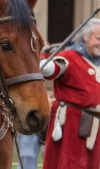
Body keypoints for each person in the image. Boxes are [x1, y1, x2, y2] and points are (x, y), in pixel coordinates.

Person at [41, 18, 100, 169]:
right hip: (73, 125)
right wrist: (44, 63)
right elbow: (54, 69)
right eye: (98, 38)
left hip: (96, 127)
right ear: (86, 36)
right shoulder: (70, 57)